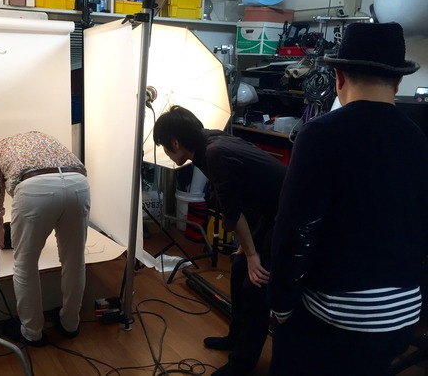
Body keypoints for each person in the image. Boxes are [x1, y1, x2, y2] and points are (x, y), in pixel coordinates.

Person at [268, 22, 428, 376]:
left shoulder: (320, 134)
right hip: (404, 316)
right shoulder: (418, 138)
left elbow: (294, 231)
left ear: (339, 77)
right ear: (397, 82)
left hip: (339, 315)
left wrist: (280, 305)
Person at [153, 106, 286, 376]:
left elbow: (231, 213)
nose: (166, 153)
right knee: (238, 268)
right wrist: (247, 249)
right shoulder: (207, 142)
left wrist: (253, 253)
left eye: (164, 148)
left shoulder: (215, 153)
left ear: (175, 143)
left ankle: (242, 363)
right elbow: (237, 202)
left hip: (288, 214)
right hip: (269, 209)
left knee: (255, 284)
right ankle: (235, 338)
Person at [0, 131, 90, 346]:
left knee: (25, 265)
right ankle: (71, 323)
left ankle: (32, 332)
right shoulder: (44, 138)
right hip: (78, 184)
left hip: (35, 190)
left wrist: (0, 237)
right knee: (75, 260)